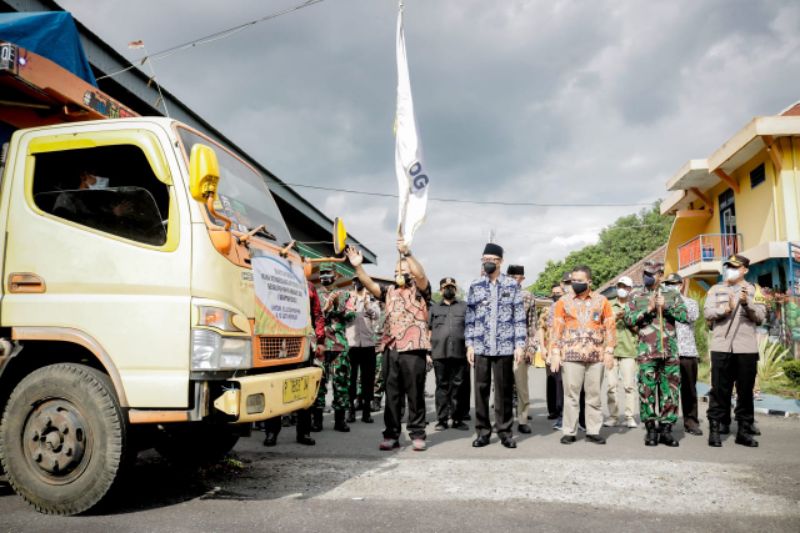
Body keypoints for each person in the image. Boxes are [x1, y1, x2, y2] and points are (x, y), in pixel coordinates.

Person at [346, 238, 432, 452]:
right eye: (395, 270)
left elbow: (421, 275)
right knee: (392, 394)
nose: (398, 273)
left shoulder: (421, 290)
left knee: (415, 394)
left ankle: (418, 434)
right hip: (390, 348)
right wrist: (358, 265)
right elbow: (370, 284)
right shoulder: (389, 292)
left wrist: (408, 254)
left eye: (402, 269)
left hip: (414, 349)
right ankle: (391, 434)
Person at [465, 243, 527, 449]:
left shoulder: (512, 286)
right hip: (481, 346)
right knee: (481, 391)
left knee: (503, 392)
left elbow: (519, 318)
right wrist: (469, 345)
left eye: (492, 259)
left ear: (500, 262)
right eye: (485, 259)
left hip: (504, 346)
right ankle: (482, 432)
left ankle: (505, 432)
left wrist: (519, 345)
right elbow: (470, 318)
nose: (488, 263)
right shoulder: (475, 285)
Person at [704, 254, 766, 448]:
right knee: (719, 390)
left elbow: (761, 317)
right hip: (721, 346)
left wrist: (747, 304)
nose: (730, 269)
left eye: (734, 266)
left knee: (745, 392)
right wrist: (726, 310)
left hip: (745, 348)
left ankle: (744, 431)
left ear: (745, 270)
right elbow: (708, 313)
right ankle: (716, 430)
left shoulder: (755, 290)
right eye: (728, 266)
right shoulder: (716, 289)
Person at [624, 261, 688, 447]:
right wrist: (648, 309)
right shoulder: (636, 295)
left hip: (669, 351)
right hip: (647, 352)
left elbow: (684, 317)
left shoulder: (673, 294)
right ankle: (651, 429)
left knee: (671, 392)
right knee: (647, 390)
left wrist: (666, 307)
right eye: (646, 273)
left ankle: (666, 429)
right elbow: (628, 319)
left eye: (652, 273)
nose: (648, 276)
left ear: (660, 274)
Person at [550, 265, 615, 445]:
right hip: (571, 355)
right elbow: (557, 327)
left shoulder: (602, 301)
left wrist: (609, 350)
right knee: (571, 395)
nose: (575, 284)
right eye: (573, 280)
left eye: (580, 280)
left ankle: (593, 431)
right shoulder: (563, 301)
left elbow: (609, 325)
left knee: (594, 394)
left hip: (596, 356)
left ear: (589, 281)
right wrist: (555, 351)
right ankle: (569, 431)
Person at [263, 280, 325, 446]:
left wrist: (320, 340)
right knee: (274, 387)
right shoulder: (270, 279)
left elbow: (317, 314)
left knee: (303, 387)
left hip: (301, 343)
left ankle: (304, 432)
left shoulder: (309, 287)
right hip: (276, 341)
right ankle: (271, 432)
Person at [311, 263, 355, 433]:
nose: (324, 276)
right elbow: (312, 315)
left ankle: (340, 420)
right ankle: (317, 420)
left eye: (328, 273)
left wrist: (337, 307)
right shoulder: (315, 293)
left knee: (341, 383)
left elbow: (351, 315)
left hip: (338, 345)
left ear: (335, 276)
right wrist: (326, 308)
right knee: (319, 383)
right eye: (322, 273)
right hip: (321, 345)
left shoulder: (344, 294)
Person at [429, 277, 470, 431]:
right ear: (440, 290)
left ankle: (458, 419)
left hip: (460, 353)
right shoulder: (434, 308)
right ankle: (442, 420)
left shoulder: (464, 307)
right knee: (442, 387)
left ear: (456, 289)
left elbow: (470, 328)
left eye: (452, 287)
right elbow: (428, 330)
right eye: (446, 287)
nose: (449, 289)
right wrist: (428, 352)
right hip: (439, 353)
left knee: (458, 387)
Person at [664, 273, 703, 436]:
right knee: (669, 390)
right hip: (668, 352)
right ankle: (668, 422)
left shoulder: (690, 303)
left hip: (687, 351)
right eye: (668, 284)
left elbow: (690, 317)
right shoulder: (661, 303)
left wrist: (673, 303)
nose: (671, 286)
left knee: (689, 390)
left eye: (674, 283)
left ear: (680, 285)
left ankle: (691, 421)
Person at [603, 276, 639, 429]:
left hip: (629, 350)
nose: (622, 289)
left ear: (630, 289)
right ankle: (613, 416)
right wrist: (613, 318)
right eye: (620, 286)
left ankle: (630, 416)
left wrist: (627, 320)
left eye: (625, 286)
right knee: (611, 385)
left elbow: (639, 329)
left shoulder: (634, 306)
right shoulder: (608, 305)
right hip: (611, 350)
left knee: (629, 385)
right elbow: (601, 325)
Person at [345, 278, 381, 424]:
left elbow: (376, 317)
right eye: (355, 281)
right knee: (351, 380)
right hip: (351, 345)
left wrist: (366, 305)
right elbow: (343, 317)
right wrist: (352, 304)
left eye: (360, 281)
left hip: (368, 346)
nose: (358, 284)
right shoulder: (347, 300)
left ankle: (366, 412)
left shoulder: (372, 301)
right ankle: (351, 411)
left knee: (368, 381)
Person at [507, 265, 534, 434]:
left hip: (521, 346)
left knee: (521, 385)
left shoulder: (527, 296)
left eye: (519, 278)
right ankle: (503, 419)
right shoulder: (500, 294)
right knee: (502, 386)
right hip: (501, 348)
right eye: (513, 277)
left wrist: (531, 347)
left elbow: (532, 324)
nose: (516, 280)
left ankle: (523, 419)